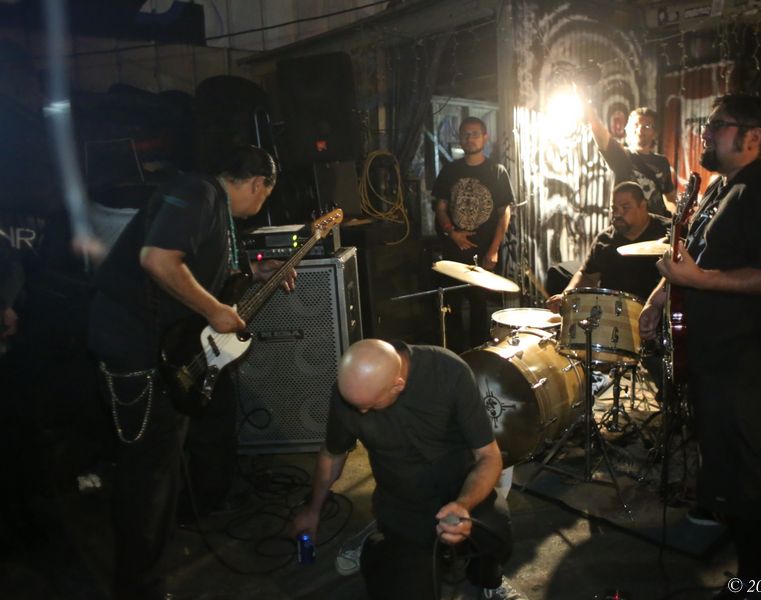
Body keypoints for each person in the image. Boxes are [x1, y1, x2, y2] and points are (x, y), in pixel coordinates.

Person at [87, 145, 292, 600]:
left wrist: (256, 272)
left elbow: (201, 266)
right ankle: (138, 587)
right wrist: (215, 310)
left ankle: (148, 566)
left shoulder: (212, 204)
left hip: (159, 348)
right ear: (258, 183)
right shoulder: (198, 193)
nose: (261, 203)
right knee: (147, 473)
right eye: (265, 195)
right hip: (136, 348)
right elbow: (158, 259)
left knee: (160, 467)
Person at [638, 95, 761, 598]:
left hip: (747, 357)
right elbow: (690, 254)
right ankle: (718, 519)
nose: (705, 134)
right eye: (707, 125)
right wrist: (659, 298)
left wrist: (700, 281)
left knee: (742, 468)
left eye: (717, 126)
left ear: (752, 136)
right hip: (713, 353)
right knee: (719, 457)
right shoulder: (719, 187)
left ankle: (755, 581)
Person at [291, 339, 524, 600]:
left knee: (496, 531)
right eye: (355, 404)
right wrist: (313, 510)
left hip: (461, 486)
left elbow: (488, 456)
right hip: (403, 506)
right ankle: (376, 544)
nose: (361, 411)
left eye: (369, 405)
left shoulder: (448, 371)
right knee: (410, 590)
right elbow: (332, 455)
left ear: (398, 385)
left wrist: (463, 505)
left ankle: (488, 579)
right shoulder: (349, 395)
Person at [433, 116, 514, 352]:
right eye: (466, 134)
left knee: (480, 310)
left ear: (485, 137)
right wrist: (452, 233)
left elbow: (504, 213)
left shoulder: (497, 172)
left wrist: (494, 249)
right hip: (453, 253)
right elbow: (440, 208)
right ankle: (455, 358)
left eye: (475, 134)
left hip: (483, 252)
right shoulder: (449, 170)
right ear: (460, 138)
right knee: (451, 310)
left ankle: (479, 359)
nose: (470, 139)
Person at [545, 181, 670, 312]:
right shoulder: (604, 240)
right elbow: (587, 276)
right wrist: (566, 296)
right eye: (614, 208)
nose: (617, 214)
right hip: (612, 314)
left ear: (643, 206)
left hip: (656, 314)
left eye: (625, 207)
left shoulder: (668, 232)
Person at [588, 106, 676, 217]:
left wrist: (675, 218)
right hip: (625, 224)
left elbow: (669, 198)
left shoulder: (662, 162)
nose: (640, 130)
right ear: (627, 129)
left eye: (647, 126)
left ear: (655, 133)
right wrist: (589, 113)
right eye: (636, 125)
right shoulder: (620, 155)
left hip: (656, 226)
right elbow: (600, 134)